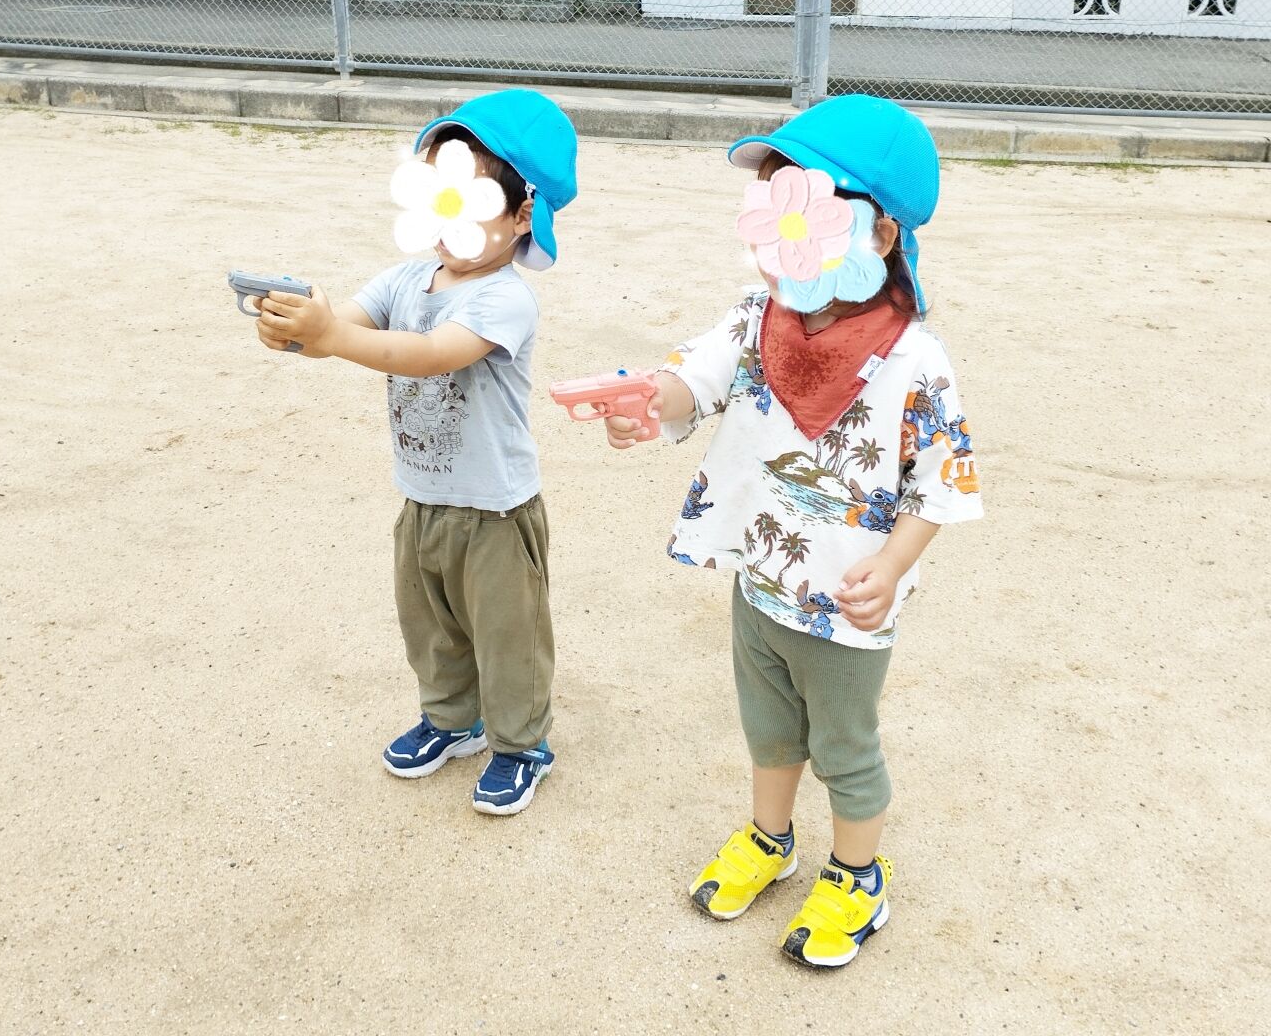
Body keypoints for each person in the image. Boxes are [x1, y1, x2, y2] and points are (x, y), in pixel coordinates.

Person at [591, 94, 981, 966]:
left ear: (882, 233)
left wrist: (894, 563)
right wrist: (646, 403)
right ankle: (771, 840)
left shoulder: (915, 358)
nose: (781, 240)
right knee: (769, 731)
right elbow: (694, 378)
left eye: (806, 213)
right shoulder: (753, 318)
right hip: (760, 581)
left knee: (845, 747)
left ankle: (858, 876)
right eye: (772, 213)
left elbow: (940, 480)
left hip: (846, 602)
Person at [252, 88, 577, 816]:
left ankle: (522, 743)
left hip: (495, 510)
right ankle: (452, 718)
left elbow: (431, 353)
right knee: (430, 623)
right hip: (424, 496)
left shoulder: (505, 298)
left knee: (507, 633)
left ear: (523, 215)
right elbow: (348, 328)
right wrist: (300, 329)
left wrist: (331, 336)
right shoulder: (404, 278)